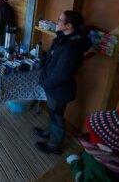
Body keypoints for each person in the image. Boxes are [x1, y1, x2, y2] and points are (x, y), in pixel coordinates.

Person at [34, 10, 91, 154]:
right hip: (54, 86)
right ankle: (49, 132)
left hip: (59, 89)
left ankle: (54, 145)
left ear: (69, 26)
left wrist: (46, 83)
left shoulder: (71, 46)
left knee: (57, 116)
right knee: (53, 113)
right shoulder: (63, 38)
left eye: (60, 20)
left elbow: (62, 73)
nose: (57, 22)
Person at [66, 107, 119, 182]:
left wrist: (75, 162)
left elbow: (83, 178)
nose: (90, 139)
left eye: (95, 137)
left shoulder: (95, 166)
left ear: (108, 149)